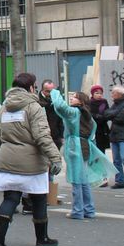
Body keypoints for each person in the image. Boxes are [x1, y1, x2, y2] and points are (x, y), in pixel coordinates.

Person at [0, 72, 63, 246]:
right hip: (31, 162)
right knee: (38, 199)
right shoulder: (34, 107)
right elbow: (42, 136)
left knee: (10, 198)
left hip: (7, 160)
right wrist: (55, 157)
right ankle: (42, 238)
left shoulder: (3, 108)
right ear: (30, 87)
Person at [51, 90, 102, 220]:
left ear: (81, 101)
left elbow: (60, 106)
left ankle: (78, 210)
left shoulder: (74, 112)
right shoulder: (86, 114)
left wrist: (54, 92)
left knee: (76, 180)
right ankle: (88, 209)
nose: (72, 99)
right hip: (85, 146)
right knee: (83, 180)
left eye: (74, 97)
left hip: (75, 147)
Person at [104, 85, 124, 189]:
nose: (112, 95)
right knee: (116, 160)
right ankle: (119, 181)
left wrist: (113, 114)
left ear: (119, 94)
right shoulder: (116, 104)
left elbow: (121, 118)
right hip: (115, 134)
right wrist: (115, 113)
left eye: (113, 92)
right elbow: (106, 114)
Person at [88, 85, 111, 161]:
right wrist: (98, 117)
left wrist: (101, 117)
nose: (99, 95)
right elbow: (89, 115)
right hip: (93, 130)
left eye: (101, 93)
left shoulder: (104, 102)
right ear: (92, 94)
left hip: (103, 129)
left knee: (102, 151)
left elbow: (107, 114)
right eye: (97, 93)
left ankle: (102, 169)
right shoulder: (89, 103)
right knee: (93, 150)